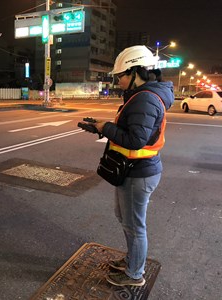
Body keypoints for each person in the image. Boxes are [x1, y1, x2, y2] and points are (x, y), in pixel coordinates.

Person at [89, 45, 174, 286]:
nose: (118, 81)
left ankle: (134, 274)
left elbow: (136, 140)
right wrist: (101, 128)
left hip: (139, 172)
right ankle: (132, 260)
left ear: (135, 72)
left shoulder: (145, 99)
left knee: (135, 225)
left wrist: (105, 128)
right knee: (124, 217)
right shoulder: (142, 96)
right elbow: (132, 132)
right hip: (132, 169)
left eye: (120, 76)